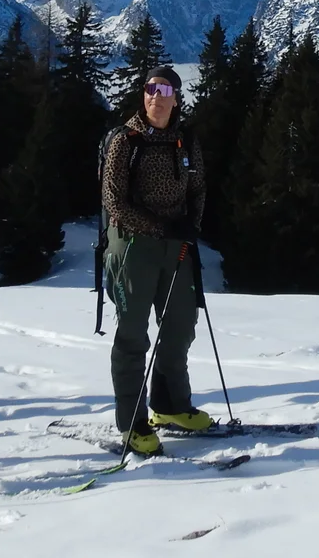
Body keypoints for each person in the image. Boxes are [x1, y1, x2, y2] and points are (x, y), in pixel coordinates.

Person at [102, 64, 211, 455]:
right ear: (142, 94)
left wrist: (190, 226)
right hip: (133, 245)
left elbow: (198, 188)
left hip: (176, 245)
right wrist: (161, 229)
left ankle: (170, 405)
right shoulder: (125, 140)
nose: (156, 96)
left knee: (180, 325)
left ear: (176, 97)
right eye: (151, 88)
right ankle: (132, 422)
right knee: (132, 335)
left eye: (165, 90)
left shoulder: (185, 139)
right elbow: (113, 201)